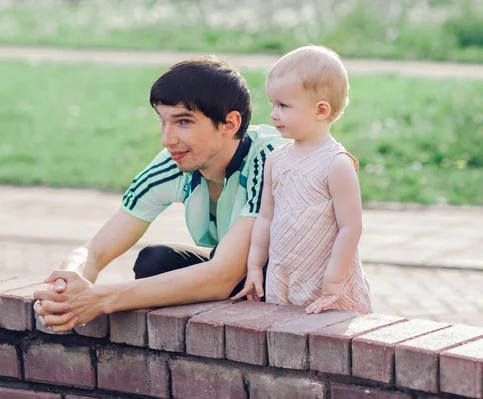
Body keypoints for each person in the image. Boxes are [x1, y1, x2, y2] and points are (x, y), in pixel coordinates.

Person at [33, 56, 287, 332]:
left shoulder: (269, 159)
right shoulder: (174, 162)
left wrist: (100, 299)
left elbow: (223, 276)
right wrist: (65, 288)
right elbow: (94, 251)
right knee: (156, 261)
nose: (167, 139)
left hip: (287, 286)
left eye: (184, 122)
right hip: (236, 276)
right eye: (163, 122)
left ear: (229, 123)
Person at [231, 45, 373, 314]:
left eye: (283, 105)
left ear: (320, 110)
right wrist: (254, 267)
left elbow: (350, 227)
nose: (273, 113)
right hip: (284, 277)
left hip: (327, 282)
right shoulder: (276, 159)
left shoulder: (336, 163)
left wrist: (333, 282)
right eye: (273, 104)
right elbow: (266, 218)